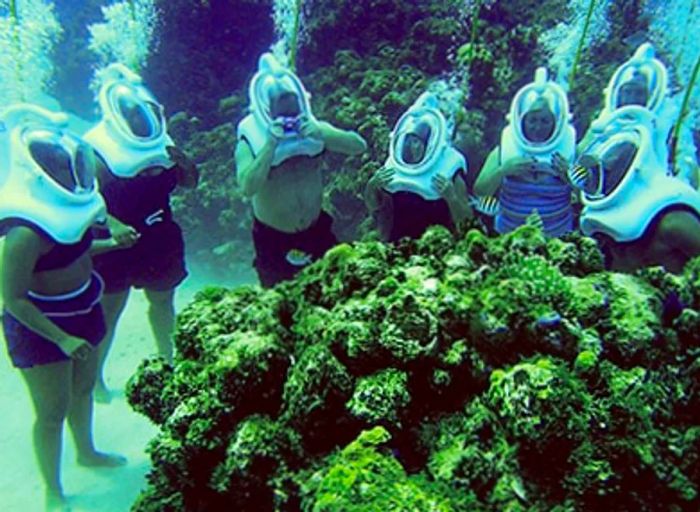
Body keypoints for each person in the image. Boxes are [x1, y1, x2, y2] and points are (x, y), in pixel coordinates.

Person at [0, 104, 127, 511]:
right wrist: (62, 339)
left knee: (84, 388)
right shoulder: (22, 233)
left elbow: (78, 253)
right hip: (43, 326)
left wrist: (112, 243)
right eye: (56, 167)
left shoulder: (75, 208)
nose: (66, 173)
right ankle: (52, 491)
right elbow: (13, 298)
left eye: (67, 164)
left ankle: (86, 451)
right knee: (52, 410)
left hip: (84, 309)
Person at [82, 64, 199, 402]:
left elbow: (189, 183)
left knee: (163, 302)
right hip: (116, 243)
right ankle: (95, 381)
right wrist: (113, 225)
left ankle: (169, 362)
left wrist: (186, 163)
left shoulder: (160, 138)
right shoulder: (94, 148)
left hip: (160, 235)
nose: (136, 117)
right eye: (130, 112)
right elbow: (87, 199)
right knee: (110, 310)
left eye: (140, 111)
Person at [235, 52, 367, 287]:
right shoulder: (250, 140)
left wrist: (323, 134)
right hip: (273, 239)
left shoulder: (315, 129)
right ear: (266, 110)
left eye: (293, 112)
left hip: (317, 231)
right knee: (280, 305)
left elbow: (358, 146)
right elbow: (247, 187)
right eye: (282, 114)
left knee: (337, 287)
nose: (290, 121)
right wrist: (269, 147)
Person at [571, 104, 700, 274]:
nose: (603, 172)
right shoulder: (599, 222)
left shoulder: (673, 223)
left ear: (636, 168)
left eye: (611, 167)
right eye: (601, 168)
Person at [473, 67, 577, 237]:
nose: (538, 127)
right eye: (532, 120)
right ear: (522, 119)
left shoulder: (570, 147)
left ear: (556, 122)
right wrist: (503, 171)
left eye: (545, 121)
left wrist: (569, 175)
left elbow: (586, 197)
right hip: (508, 237)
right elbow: (480, 192)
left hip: (559, 239)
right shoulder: (504, 148)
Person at [579, 43, 699, 187]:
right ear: (616, 93)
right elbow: (580, 155)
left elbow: (688, 177)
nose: (631, 100)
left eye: (639, 93)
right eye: (627, 92)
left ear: (652, 96)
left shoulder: (667, 128)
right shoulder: (604, 122)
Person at [364, 91, 472, 242]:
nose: (413, 147)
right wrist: (372, 186)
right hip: (396, 245)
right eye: (410, 141)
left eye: (418, 142)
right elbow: (375, 208)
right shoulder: (395, 165)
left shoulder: (450, 169)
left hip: (438, 246)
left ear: (429, 143)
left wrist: (451, 197)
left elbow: (467, 221)